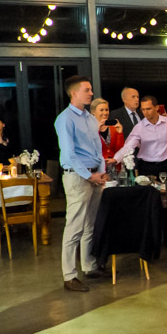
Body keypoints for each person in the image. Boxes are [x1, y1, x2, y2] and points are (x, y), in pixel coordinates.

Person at [54, 76, 108, 292]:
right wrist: (89, 175)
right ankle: (69, 276)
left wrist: (102, 171)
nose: (91, 93)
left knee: (90, 224)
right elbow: (69, 153)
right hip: (78, 177)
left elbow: (97, 149)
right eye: (87, 90)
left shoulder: (89, 117)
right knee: (74, 226)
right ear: (74, 93)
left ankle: (89, 265)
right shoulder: (65, 119)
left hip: (94, 176)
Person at [113, 96, 167, 180]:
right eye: (143, 109)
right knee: (148, 192)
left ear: (156, 108)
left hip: (166, 165)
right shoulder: (139, 127)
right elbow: (129, 146)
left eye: (148, 109)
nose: (145, 112)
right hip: (146, 167)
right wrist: (115, 159)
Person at [90, 98, 124, 162]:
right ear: (93, 113)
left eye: (106, 110)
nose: (105, 113)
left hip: (113, 166)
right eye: (101, 110)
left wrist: (119, 133)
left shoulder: (114, 128)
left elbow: (119, 150)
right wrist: (97, 132)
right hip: (98, 167)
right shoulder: (88, 129)